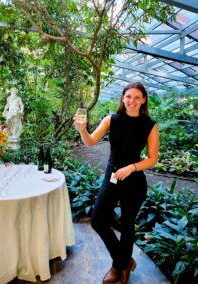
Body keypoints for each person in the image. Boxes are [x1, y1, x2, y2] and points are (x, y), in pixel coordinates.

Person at [73, 82, 159, 284]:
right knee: (98, 220)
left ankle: (118, 267)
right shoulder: (111, 120)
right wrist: (82, 130)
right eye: (128, 96)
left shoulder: (150, 125)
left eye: (137, 97)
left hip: (135, 182)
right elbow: (90, 142)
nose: (132, 101)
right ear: (122, 98)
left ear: (143, 100)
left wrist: (131, 167)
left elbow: (153, 158)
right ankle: (123, 262)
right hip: (111, 178)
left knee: (128, 225)